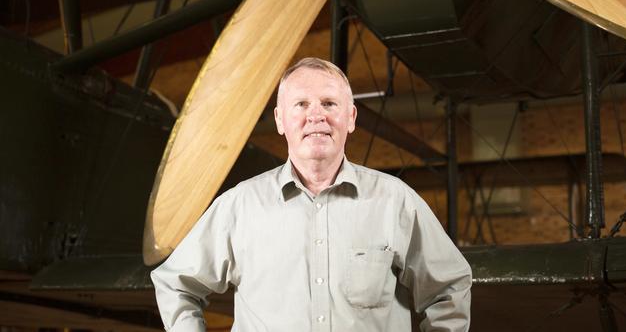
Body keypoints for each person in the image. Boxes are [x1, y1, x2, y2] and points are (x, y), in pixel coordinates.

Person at [151, 57, 472, 332]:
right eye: (301, 104)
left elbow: (448, 287)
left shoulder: (395, 202)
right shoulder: (239, 207)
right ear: (280, 120)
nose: (316, 115)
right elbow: (176, 283)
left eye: (330, 103)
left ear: (351, 118)